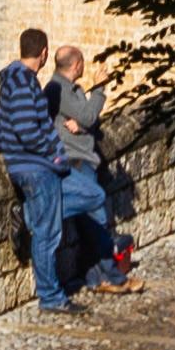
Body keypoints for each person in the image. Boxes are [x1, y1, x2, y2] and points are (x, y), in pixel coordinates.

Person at [0, 26, 81, 312]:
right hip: (36, 168)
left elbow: (2, 119)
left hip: (29, 164)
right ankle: (51, 296)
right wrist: (52, 155)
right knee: (48, 234)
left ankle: (27, 215)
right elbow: (26, 129)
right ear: (44, 53)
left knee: (84, 198)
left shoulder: (17, 79)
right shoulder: (22, 82)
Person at [47, 44, 123, 293]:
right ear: (77, 64)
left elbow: (88, 120)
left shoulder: (71, 89)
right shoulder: (60, 90)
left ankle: (94, 279)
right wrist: (99, 88)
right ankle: (113, 276)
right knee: (97, 220)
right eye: (83, 62)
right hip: (76, 162)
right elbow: (90, 115)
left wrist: (81, 126)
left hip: (83, 160)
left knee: (89, 224)